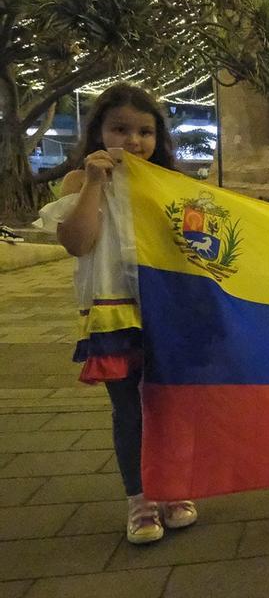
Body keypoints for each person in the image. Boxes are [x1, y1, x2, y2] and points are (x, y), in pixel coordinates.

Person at [40, 83, 199, 545]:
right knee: (128, 409)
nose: (133, 141)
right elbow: (77, 241)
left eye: (145, 132)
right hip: (115, 313)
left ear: (159, 138)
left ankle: (174, 488)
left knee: (171, 405)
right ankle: (140, 499)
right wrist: (94, 183)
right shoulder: (80, 182)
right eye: (120, 129)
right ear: (98, 133)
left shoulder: (174, 185)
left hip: (167, 312)